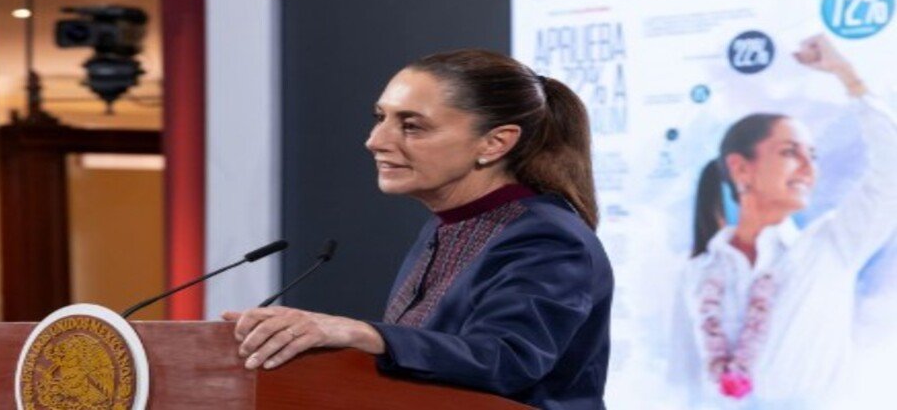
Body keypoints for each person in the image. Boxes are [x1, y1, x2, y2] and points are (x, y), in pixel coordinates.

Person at [222, 49, 614, 409]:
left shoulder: (547, 237)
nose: (375, 141)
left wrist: (363, 334)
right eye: (380, 118)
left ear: (495, 143)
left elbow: (507, 360)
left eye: (411, 126)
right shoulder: (446, 225)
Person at [672, 35, 897, 408]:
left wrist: (848, 76)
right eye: (791, 152)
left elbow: (893, 169)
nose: (809, 168)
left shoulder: (832, 245)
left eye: (814, 155)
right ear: (740, 168)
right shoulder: (700, 270)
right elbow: (683, 379)